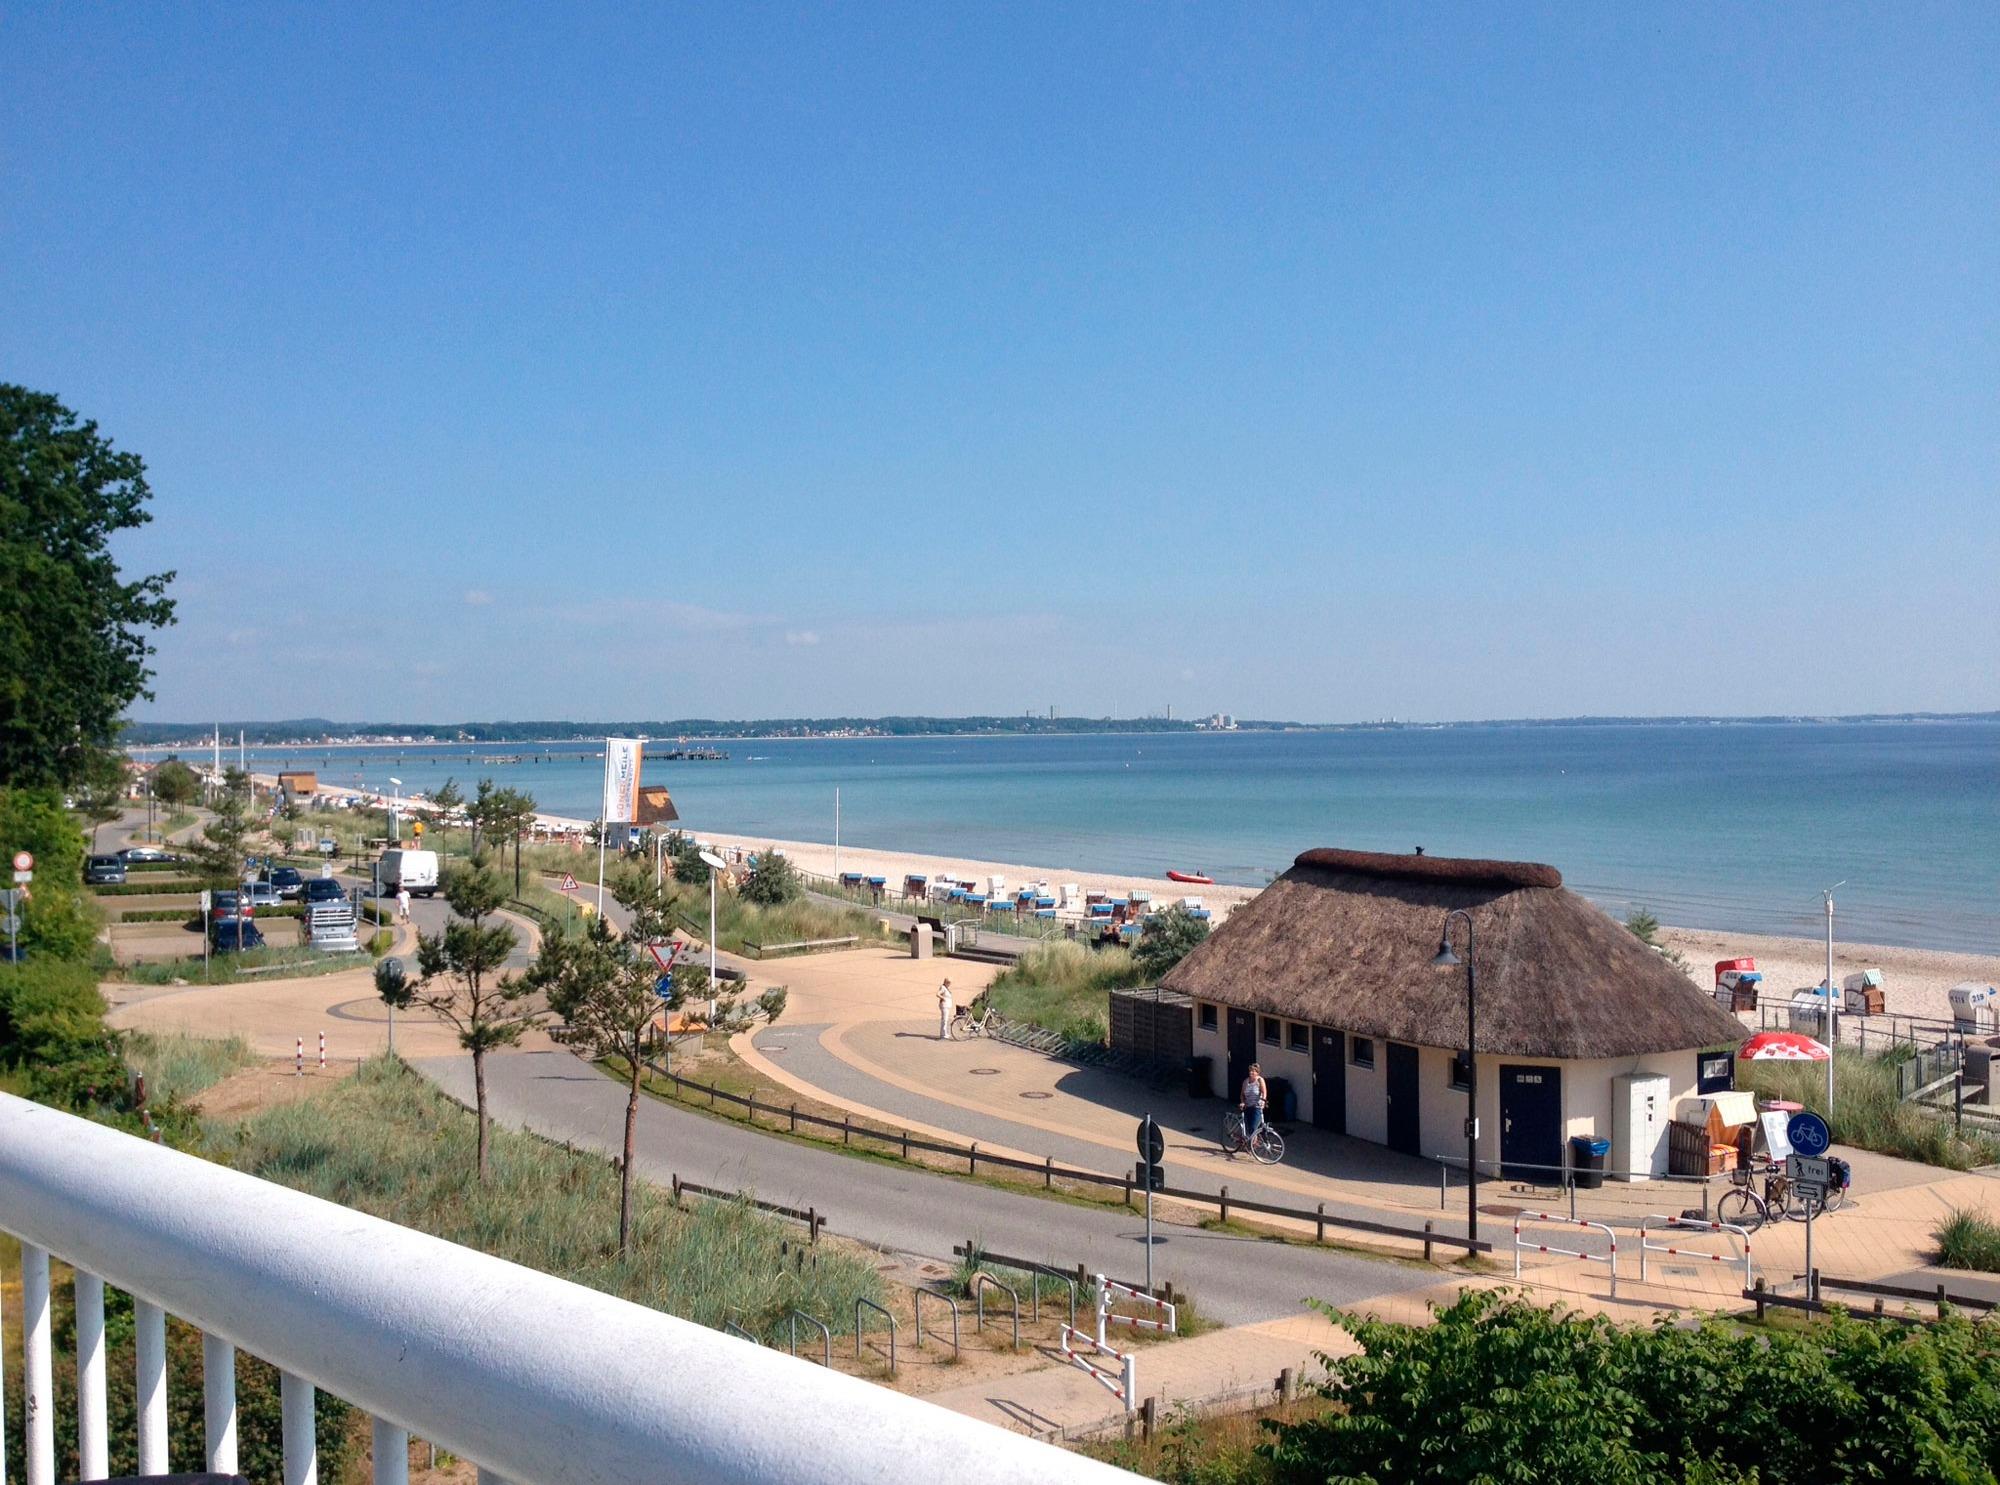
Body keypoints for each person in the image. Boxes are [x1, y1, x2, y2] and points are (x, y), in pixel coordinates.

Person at [1237, 1063, 1268, 1151]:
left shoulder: (1260, 1080)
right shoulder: (1246, 1081)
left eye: (1253, 1071)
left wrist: (1263, 1101)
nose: (1251, 1073)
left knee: (1254, 1127)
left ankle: (1252, 1145)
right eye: (1250, 1071)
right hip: (1247, 1106)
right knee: (1247, 1127)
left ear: (1257, 1073)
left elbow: (1264, 1092)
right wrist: (1242, 1102)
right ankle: (1250, 1145)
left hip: (1256, 1107)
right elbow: (1242, 1094)